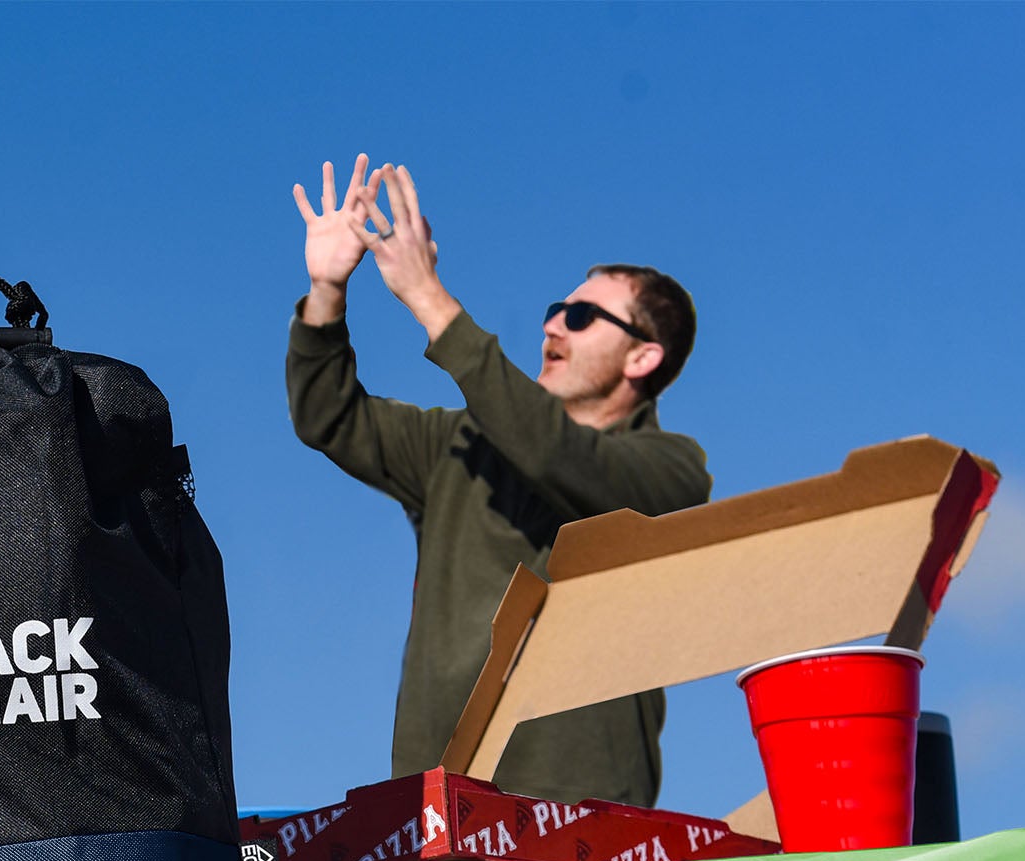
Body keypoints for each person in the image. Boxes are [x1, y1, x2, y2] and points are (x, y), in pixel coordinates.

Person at [287, 156, 709, 806]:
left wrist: (430, 300)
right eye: (555, 309)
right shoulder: (455, 444)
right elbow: (328, 416)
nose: (551, 325)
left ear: (643, 356)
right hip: (438, 798)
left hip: (584, 810)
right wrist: (326, 293)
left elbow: (553, 454)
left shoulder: (672, 472)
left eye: (581, 317)